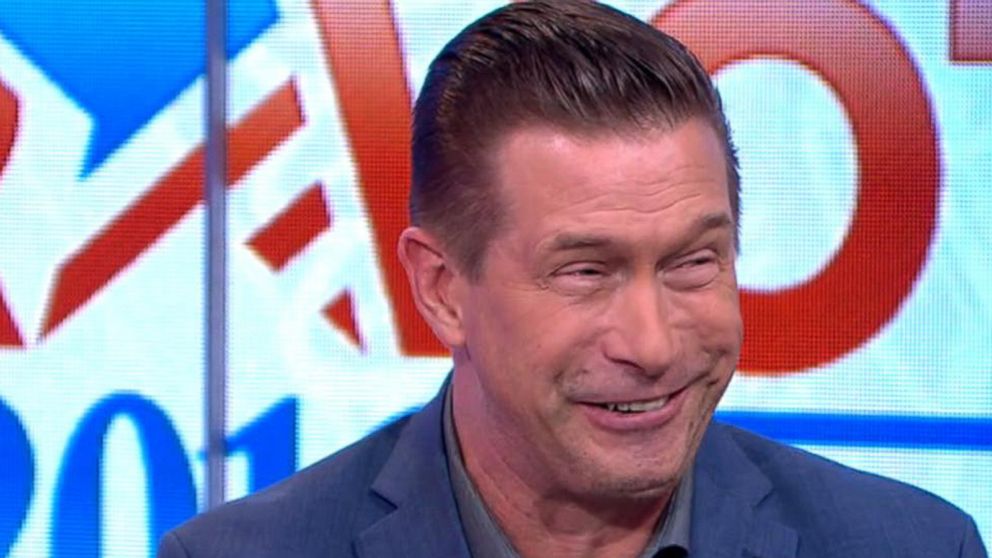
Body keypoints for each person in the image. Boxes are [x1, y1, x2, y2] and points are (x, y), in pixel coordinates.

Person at [159, 1, 987, 557]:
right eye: (586, 272)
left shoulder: (913, 547)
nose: (653, 346)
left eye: (692, 263)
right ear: (442, 289)